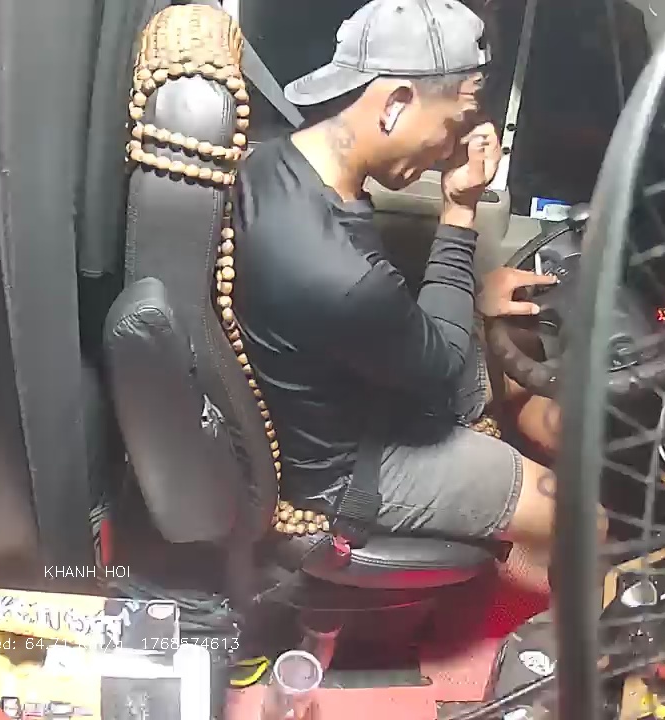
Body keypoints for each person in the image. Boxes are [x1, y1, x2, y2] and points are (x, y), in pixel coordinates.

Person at [232, 0, 606, 588]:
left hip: (359, 384)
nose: (451, 149)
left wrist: (473, 296)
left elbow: (404, 336)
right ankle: (561, 628)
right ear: (396, 104)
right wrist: (460, 208)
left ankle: (540, 497)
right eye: (455, 125)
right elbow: (443, 368)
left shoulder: (277, 163)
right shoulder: (340, 273)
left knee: (527, 370)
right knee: (590, 522)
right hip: (354, 467)